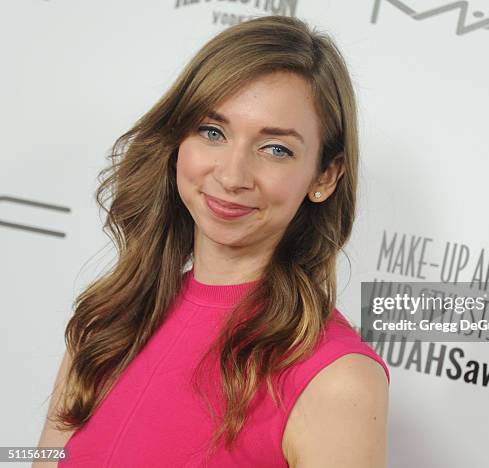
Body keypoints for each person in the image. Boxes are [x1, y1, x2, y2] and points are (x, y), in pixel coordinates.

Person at [36, 15, 390, 467]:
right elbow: (41, 456)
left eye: (276, 148)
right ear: (176, 139)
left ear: (324, 175)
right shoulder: (108, 321)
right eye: (212, 132)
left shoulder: (338, 380)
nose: (231, 175)